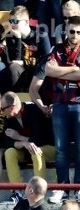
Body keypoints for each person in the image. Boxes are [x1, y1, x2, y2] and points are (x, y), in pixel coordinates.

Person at [44, 16, 80, 200]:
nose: (74, 35)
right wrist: (73, 71)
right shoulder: (55, 49)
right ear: (66, 30)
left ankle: (79, 189)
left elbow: (56, 71)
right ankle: (63, 189)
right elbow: (48, 71)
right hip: (59, 104)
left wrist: (61, 70)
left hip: (79, 103)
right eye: (72, 31)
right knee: (60, 150)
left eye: (78, 32)